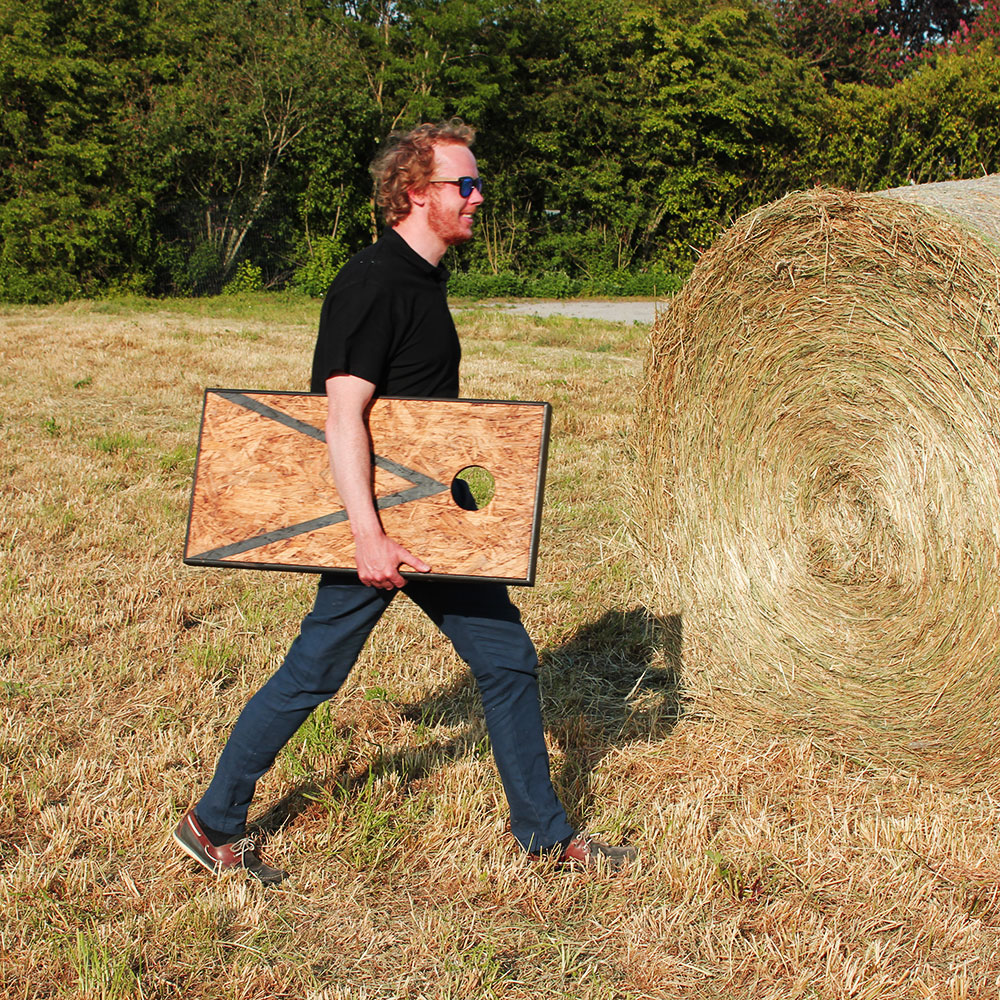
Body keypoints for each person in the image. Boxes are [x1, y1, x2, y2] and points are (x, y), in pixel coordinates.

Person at [173, 121, 636, 884]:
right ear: (416, 193)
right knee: (314, 672)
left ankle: (545, 838)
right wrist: (366, 535)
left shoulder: (422, 281)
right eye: (466, 184)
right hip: (383, 528)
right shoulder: (372, 283)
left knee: (507, 659)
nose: (479, 196)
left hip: (429, 527)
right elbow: (343, 413)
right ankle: (213, 820)